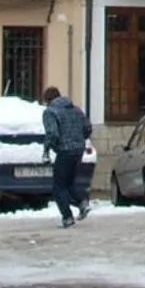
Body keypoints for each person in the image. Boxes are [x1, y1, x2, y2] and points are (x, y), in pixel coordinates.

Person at [40, 86, 92, 228]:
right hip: (78, 150)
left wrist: (47, 149)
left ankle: (67, 217)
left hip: (64, 151)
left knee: (59, 187)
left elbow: (52, 133)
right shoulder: (76, 110)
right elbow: (87, 128)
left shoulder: (50, 112)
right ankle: (82, 202)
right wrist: (79, 139)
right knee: (69, 182)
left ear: (47, 100)